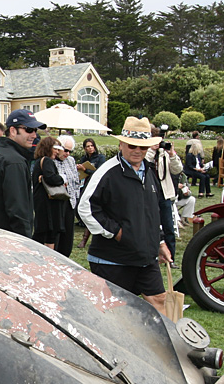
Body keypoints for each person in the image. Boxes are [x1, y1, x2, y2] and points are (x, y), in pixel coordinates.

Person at [78, 116, 172, 315]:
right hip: (113, 259)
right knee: (115, 313)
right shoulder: (107, 171)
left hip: (145, 257)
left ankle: (160, 346)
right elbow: (86, 207)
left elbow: (152, 212)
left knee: (159, 300)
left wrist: (160, 242)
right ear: (121, 143)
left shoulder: (149, 171)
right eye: (132, 145)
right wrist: (116, 232)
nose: (137, 151)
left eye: (143, 147)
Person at [0, 110, 44, 238]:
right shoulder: (14, 162)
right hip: (7, 240)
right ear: (12, 131)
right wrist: (25, 242)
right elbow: (18, 210)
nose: (34, 135)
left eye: (35, 130)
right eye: (28, 129)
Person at [146, 131, 183, 259]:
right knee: (150, 224)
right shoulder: (145, 152)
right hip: (149, 193)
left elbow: (177, 170)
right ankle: (152, 254)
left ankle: (170, 256)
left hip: (164, 193)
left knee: (168, 227)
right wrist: (151, 150)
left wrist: (171, 154)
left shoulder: (165, 154)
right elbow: (144, 163)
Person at [31, 136, 67, 250]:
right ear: (48, 147)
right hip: (48, 203)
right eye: (55, 148)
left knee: (43, 232)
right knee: (49, 233)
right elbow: (51, 178)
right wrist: (62, 179)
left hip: (42, 201)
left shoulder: (38, 161)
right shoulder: (46, 161)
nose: (57, 151)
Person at [54, 135, 81, 257]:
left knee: (68, 235)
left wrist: (75, 197)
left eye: (70, 151)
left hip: (70, 202)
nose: (67, 153)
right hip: (57, 201)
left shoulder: (71, 161)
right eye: (65, 150)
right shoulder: (51, 160)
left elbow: (76, 180)